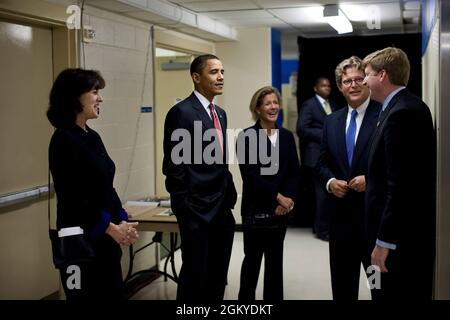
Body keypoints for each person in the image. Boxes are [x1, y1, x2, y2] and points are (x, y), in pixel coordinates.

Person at [47, 68, 139, 300]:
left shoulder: (91, 136)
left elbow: (106, 187)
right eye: (94, 92)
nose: (100, 98)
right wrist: (111, 227)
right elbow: (73, 199)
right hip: (79, 241)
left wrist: (122, 221)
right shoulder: (63, 140)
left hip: (104, 239)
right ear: (74, 97)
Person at [162, 54, 237, 302]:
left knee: (218, 275)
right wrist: (184, 208)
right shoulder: (181, 113)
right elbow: (174, 166)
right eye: (214, 72)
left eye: (222, 71)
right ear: (196, 77)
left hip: (221, 208)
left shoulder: (221, 113)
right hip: (196, 211)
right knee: (196, 275)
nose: (221, 77)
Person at [362, 47, 436, 300]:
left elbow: (401, 186)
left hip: (391, 241)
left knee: (386, 293)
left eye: (367, 74)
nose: (363, 82)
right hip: (380, 232)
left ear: (382, 75)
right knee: (376, 290)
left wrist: (383, 243)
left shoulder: (402, 114)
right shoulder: (395, 109)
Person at [316, 56, 381, 300]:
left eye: (357, 79)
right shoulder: (331, 121)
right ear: (340, 86)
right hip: (341, 224)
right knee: (343, 288)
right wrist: (330, 183)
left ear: (366, 81)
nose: (352, 85)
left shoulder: (383, 116)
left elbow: (393, 167)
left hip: (373, 226)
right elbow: (321, 164)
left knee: (378, 286)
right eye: (346, 81)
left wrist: (371, 180)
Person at [237, 86, 300, 301]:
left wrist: (288, 199)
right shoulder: (247, 137)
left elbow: (294, 172)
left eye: (275, 103)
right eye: (267, 104)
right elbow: (251, 176)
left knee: (275, 264)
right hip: (255, 211)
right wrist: (278, 196)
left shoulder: (287, 137)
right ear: (257, 108)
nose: (273, 107)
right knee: (252, 264)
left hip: (280, 212)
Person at [297, 77, 339, 240]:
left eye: (328, 85)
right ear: (315, 88)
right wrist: (325, 134)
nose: (327, 88)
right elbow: (302, 128)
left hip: (331, 157)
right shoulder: (309, 105)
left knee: (328, 194)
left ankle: (321, 227)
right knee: (321, 194)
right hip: (315, 156)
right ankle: (322, 231)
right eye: (323, 85)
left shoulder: (334, 105)